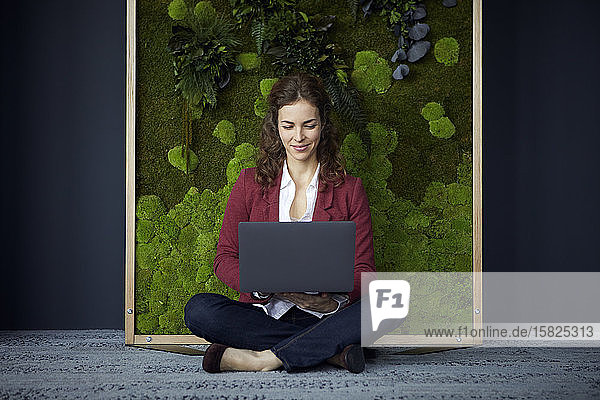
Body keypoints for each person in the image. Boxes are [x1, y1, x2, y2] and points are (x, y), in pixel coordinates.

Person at [184, 72, 376, 373]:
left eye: (309, 125)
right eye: (288, 126)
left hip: (328, 314)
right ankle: (329, 351)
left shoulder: (350, 189)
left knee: (392, 303)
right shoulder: (249, 184)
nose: (298, 137)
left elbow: (365, 272)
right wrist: (266, 284)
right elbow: (224, 260)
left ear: (323, 125)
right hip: (264, 313)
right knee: (199, 310)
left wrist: (328, 302)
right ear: (276, 126)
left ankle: (266, 357)